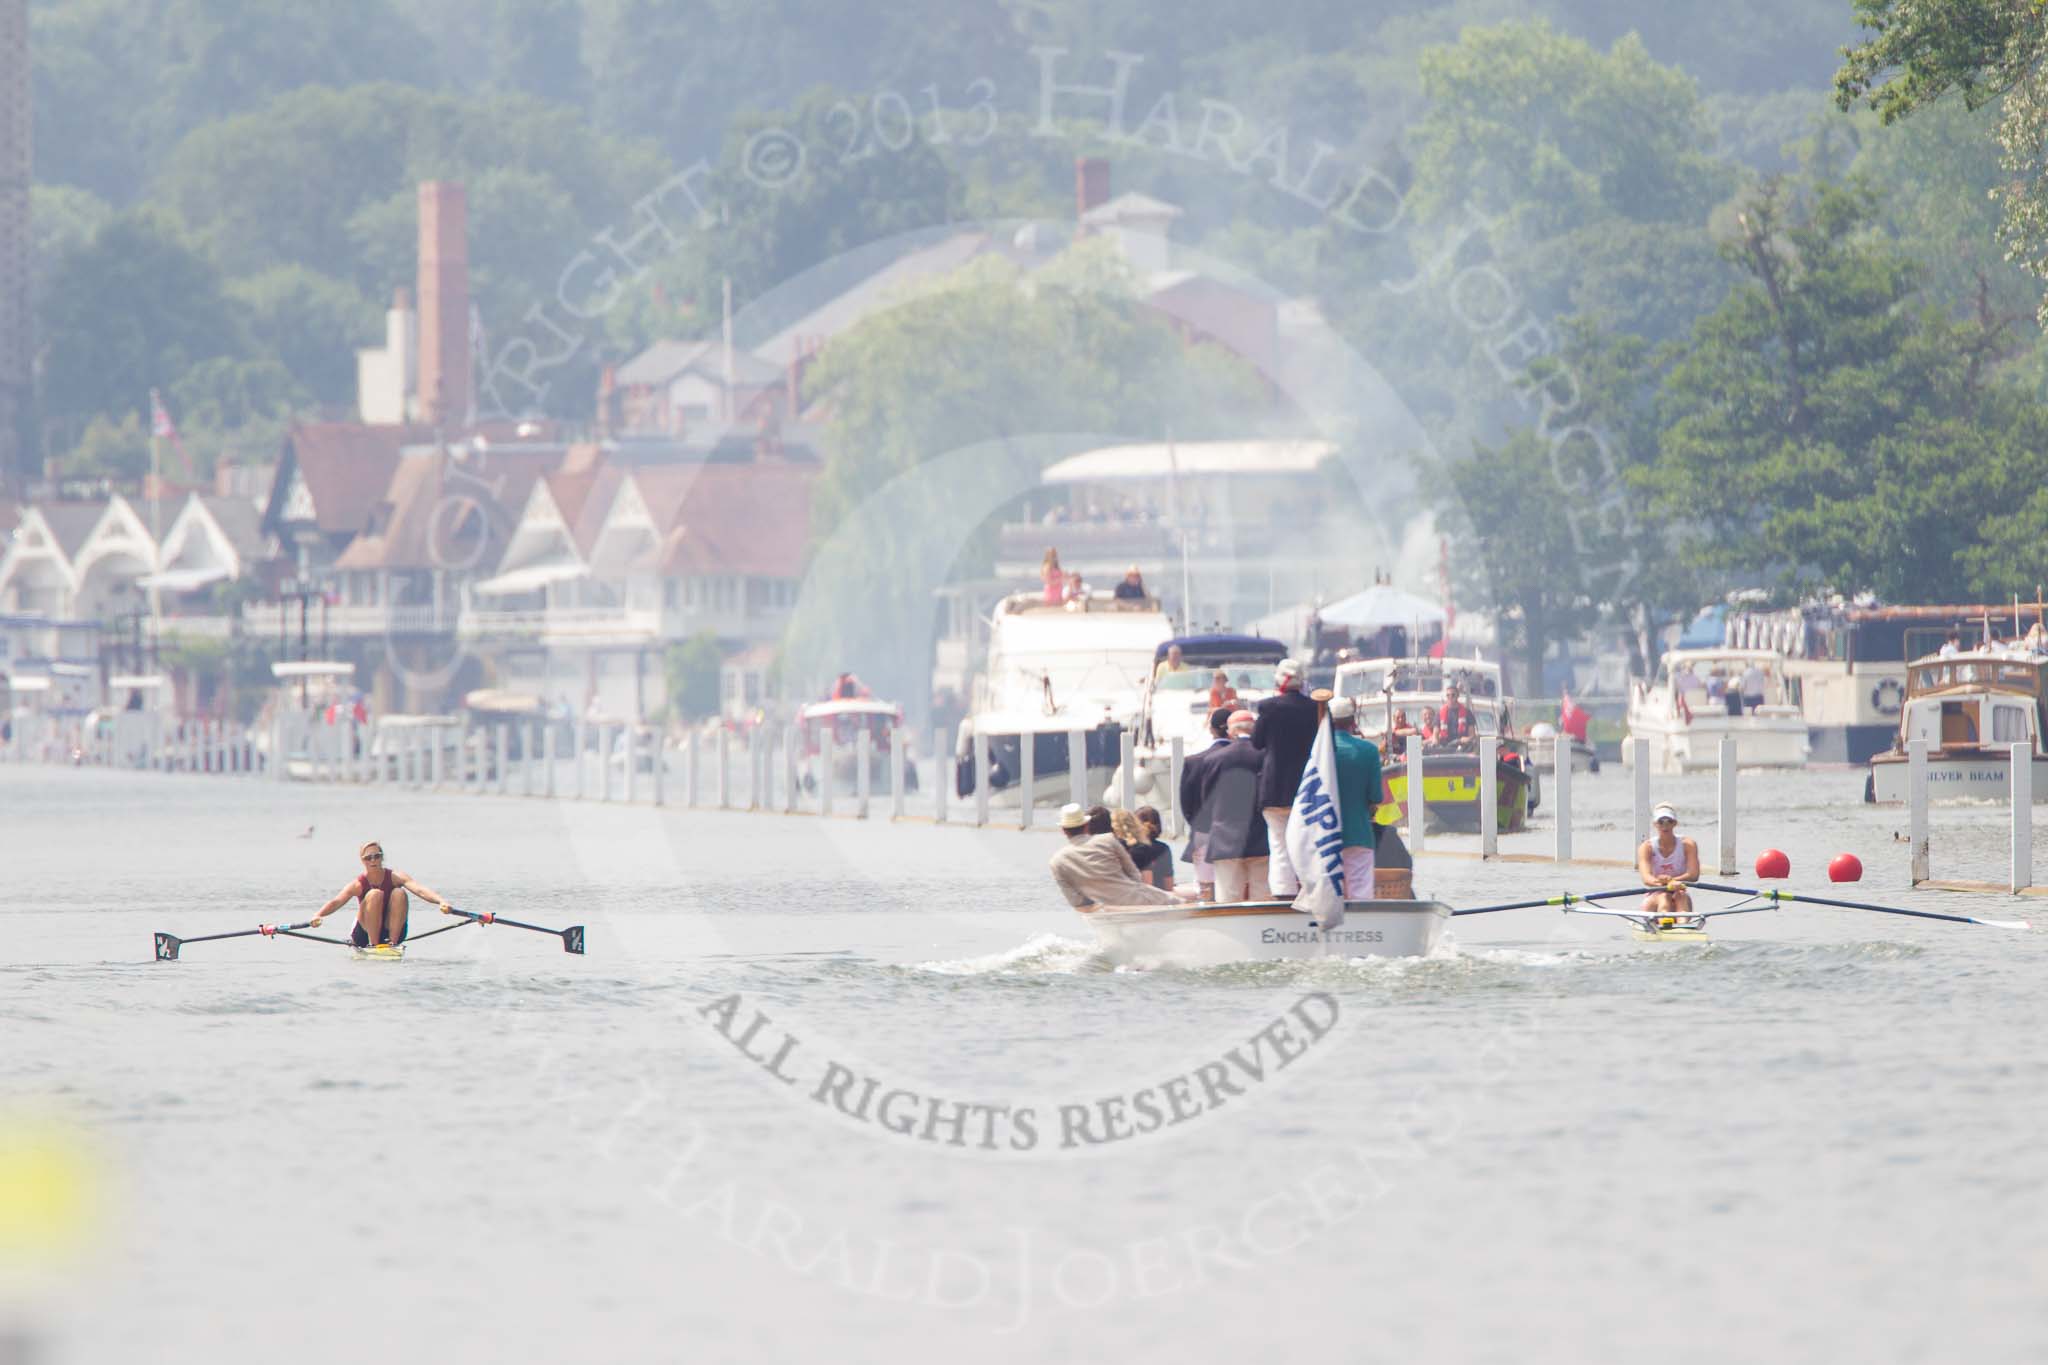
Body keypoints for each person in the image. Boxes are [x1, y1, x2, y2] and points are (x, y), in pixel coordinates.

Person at [309, 840, 455, 949]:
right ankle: (373, 945)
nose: (373, 860)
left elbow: (420, 890)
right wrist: (318, 915)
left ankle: (392, 943)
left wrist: (441, 901)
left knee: (399, 892)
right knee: (375, 894)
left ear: (382, 857)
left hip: (392, 928)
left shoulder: (396, 876)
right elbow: (336, 902)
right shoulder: (358, 884)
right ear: (362, 860)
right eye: (368, 858)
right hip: (363, 935)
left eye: (377, 856)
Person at [1252, 659, 1318, 897]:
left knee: (1279, 844)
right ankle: (1308, 891)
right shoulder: (1315, 709)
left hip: (1274, 787)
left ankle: (1283, 893)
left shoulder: (1269, 708)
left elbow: (1257, 742)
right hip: (1305, 787)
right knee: (1304, 844)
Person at [1049, 803, 1184, 909]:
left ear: (1063, 830)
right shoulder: (1107, 840)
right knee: (1183, 903)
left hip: (1104, 909)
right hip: (1138, 899)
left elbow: (1076, 901)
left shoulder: (1056, 861)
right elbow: (1134, 875)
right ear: (1085, 825)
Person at [1201, 710, 1270, 902]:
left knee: (1227, 898)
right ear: (1254, 730)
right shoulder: (1265, 756)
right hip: (1260, 834)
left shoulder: (1214, 759)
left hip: (1225, 836)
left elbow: (1207, 799)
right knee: (1262, 894)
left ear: (1231, 732)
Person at [1328, 696, 1384, 899]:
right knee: (1361, 893)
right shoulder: (1368, 751)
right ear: (1353, 721)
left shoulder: (1317, 751)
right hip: (1359, 832)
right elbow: (1376, 796)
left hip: (1323, 836)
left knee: (1330, 895)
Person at [1178, 706, 1233, 900]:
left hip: (1203, 830)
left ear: (1211, 729)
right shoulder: (1247, 755)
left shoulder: (1194, 761)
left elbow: (1186, 801)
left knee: (1206, 886)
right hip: (1240, 831)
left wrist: (1197, 823)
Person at [1636, 802, 1699, 922]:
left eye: (1669, 821)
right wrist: (1663, 883)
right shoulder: (1646, 847)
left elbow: (1693, 875)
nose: (1665, 826)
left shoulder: (1688, 844)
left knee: (1681, 896)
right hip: (1653, 899)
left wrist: (1674, 881)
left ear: (1675, 823)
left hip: (1678, 893)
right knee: (1664, 896)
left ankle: (1683, 928)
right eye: (1661, 822)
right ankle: (1665, 921)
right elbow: (1646, 878)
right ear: (1655, 824)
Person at [1133, 806, 1174, 892]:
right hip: (1160, 895)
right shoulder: (1163, 848)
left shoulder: (1131, 848)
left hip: (1137, 896)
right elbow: (1169, 883)